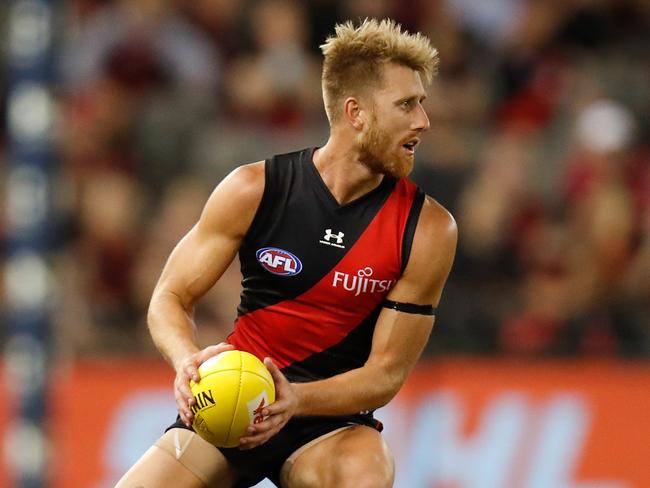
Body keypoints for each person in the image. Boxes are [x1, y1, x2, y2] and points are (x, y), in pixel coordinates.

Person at [116, 18, 457, 488]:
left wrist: (295, 399)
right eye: (406, 105)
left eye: (421, 103)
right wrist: (185, 359)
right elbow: (169, 296)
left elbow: (385, 375)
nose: (424, 120)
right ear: (356, 113)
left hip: (330, 421)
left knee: (364, 475)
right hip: (236, 404)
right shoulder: (255, 188)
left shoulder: (427, 229)